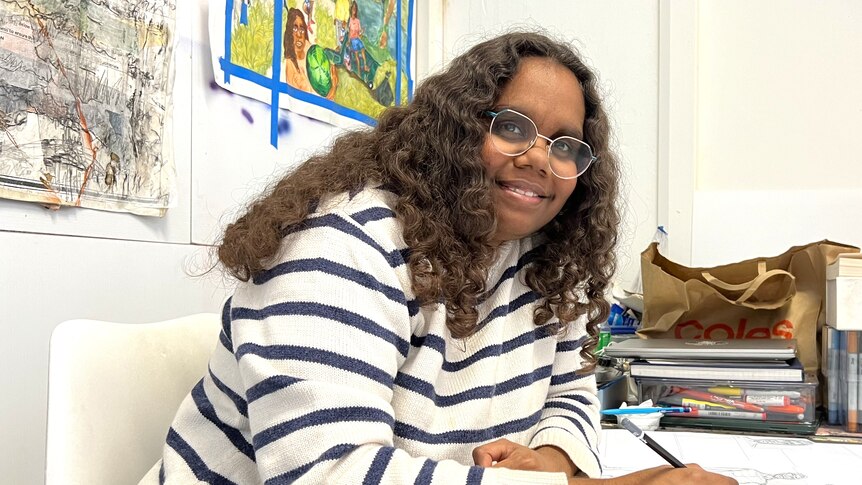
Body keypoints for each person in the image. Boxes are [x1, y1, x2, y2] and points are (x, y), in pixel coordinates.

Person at [148, 32, 737, 485]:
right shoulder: (339, 244)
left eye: (565, 145)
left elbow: (573, 390)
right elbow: (330, 474)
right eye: (512, 126)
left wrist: (550, 461)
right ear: (453, 129)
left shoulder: (547, 263)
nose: (539, 158)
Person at [283, 8, 337, 100]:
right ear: (289, 33)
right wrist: (333, 89)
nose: (299, 34)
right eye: (295, 28)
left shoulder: (311, 51)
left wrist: (332, 82)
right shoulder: (290, 65)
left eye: (302, 29)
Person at [348, 0, 370, 72]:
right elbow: (349, 31)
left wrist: (362, 32)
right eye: (353, 8)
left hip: (357, 38)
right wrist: (348, 41)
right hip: (353, 39)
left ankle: (365, 65)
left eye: (355, 8)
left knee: (363, 50)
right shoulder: (350, 20)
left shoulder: (358, 20)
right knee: (357, 55)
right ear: (351, 9)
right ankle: (359, 71)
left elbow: (359, 31)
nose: (354, 9)